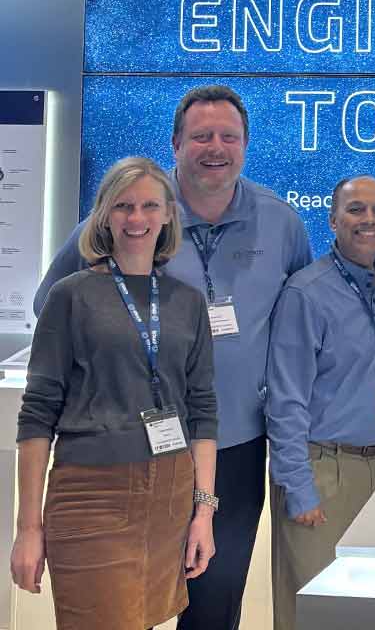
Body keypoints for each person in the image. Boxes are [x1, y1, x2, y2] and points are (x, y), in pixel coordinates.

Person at [32, 85, 313, 630]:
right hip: (132, 451)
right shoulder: (137, 213)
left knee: (214, 600)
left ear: (246, 145)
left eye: (228, 136)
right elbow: (53, 305)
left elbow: (300, 326)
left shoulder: (282, 224)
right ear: (175, 144)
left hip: (231, 446)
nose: (215, 147)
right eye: (201, 136)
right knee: (126, 601)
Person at [11, 157, 218, 630]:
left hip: (169, 495)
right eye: (124, 206)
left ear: (168, 214)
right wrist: (28, 528)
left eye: (149, 205)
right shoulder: (71, 296)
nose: (137, 218)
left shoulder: (186, 302)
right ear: (104, 214)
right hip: (91, 494)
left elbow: (203, 410)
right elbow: (37, 414)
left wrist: (203, 512)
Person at [265, 175, 375, 630]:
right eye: (356, 209)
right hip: (323, 469)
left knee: (373, 608)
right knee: (315, 610)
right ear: (332, 219)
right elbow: (285, 399)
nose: (369, 220)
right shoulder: (306, 292)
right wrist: (299, 487)